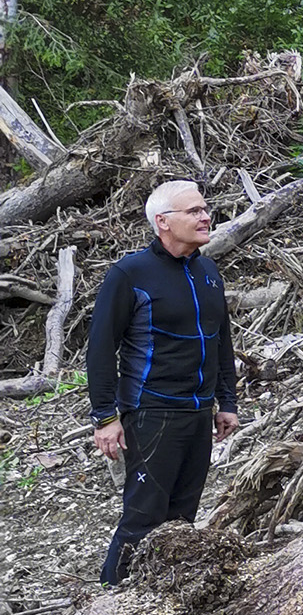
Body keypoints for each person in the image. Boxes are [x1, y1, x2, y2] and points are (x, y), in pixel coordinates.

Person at [87, 180, 240, 586]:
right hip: (151, 411)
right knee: (143, 517)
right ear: (163, 222)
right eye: (193, 211)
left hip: (198, 412)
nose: (205, 216)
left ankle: (160, 602)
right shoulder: (130, 274)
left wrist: (228, 401)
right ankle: (107, 606)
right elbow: (101, 349)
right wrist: (105, 417)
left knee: (181, 519)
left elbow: (221, 340)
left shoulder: (208, 271)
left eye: (205, 209)